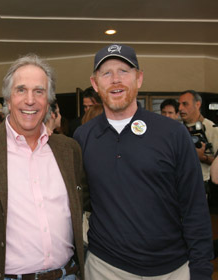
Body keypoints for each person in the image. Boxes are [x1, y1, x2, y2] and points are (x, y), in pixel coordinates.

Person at [74, 44, 213, 279]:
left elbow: (194, 206)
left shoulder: (173, 133)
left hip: (172, 268)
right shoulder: (83, 137)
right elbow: (80, 201)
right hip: (106, 268)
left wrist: (201, 268)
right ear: (96, 84)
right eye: (106, 73)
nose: (115, 79)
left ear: (139, 78)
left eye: (124, 71)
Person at [0, 54, 88, 279]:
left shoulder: (69, 150)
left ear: (48, 100)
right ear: (7, 98)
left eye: (39, 91)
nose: (30, 100)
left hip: (67, 275)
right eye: (21, 90)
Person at [179, 90, 218, 189]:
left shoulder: (212, 129)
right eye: (179, 104)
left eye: (185, 104)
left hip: (203, 186)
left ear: (197, 104)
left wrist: (203, 157)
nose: (180, 108)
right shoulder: (177, 129)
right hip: (180, 185)